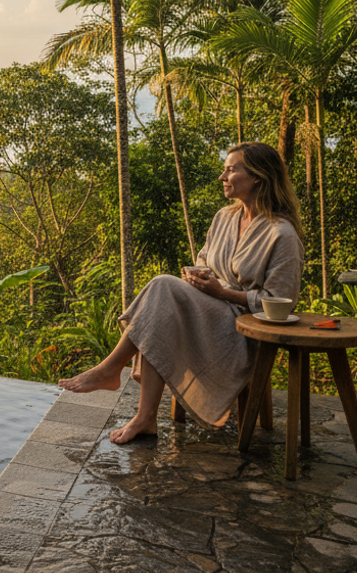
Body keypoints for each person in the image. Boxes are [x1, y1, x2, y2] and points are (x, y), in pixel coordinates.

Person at [59, 141, 304, 444]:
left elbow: (280, 302)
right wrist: (199, 277)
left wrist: (223, 293)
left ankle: (111, 370)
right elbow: (205, 261)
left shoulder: (282, 234)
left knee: (162, 289)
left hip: (241, 329)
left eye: (230, 170)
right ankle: (143, 415)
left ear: (257, 177)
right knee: (162, 308)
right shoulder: (224, 218)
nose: (222, 177)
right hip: (208, 310)